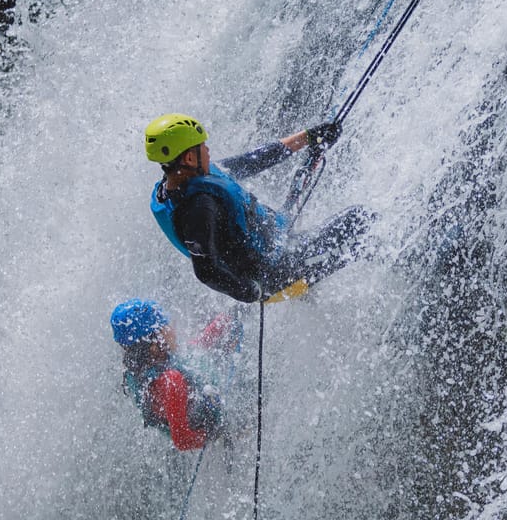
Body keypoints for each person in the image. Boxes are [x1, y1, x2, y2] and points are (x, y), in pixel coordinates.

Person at [144, 113, 375, 303]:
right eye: (202, 146)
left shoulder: (184, 180)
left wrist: (309, 137)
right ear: (189, 159)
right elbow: (206, 271)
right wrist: (249, 292)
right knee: (361, 220)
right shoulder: (199, 208)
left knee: (298, 194)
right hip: (276, 272)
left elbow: (252, 161)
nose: (208, 150)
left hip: (275, 242)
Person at [110, 298, 237, 451]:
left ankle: (229, 317)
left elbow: (195, 350)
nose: (172, 329)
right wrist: (214, 433)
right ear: (154, 345)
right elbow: (182, 441)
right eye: (165, 326)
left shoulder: (146, 366)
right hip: (200, 417)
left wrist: (225, 321)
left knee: (197, 350)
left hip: (192, 395)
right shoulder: (171, 382)